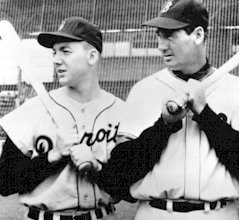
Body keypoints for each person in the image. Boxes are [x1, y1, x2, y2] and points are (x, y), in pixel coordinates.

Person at [0, 17, 168, 220]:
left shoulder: (123, 113)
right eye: (54, 52)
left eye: (65, 51)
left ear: (92, 56)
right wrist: (52, 157)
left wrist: (95, 166)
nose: (55, 59)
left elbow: (129, 187)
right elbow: (5, 182)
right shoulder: (32, 111)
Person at [123, 0, 239, 219]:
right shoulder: (143, 90)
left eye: (170, 35)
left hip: (216, 213)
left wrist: (205, 114)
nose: (161, 46)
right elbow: (121, 171)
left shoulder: (236, 88)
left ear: (198, 35)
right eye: (159, 36)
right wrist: (164, 126)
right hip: (156, 212)